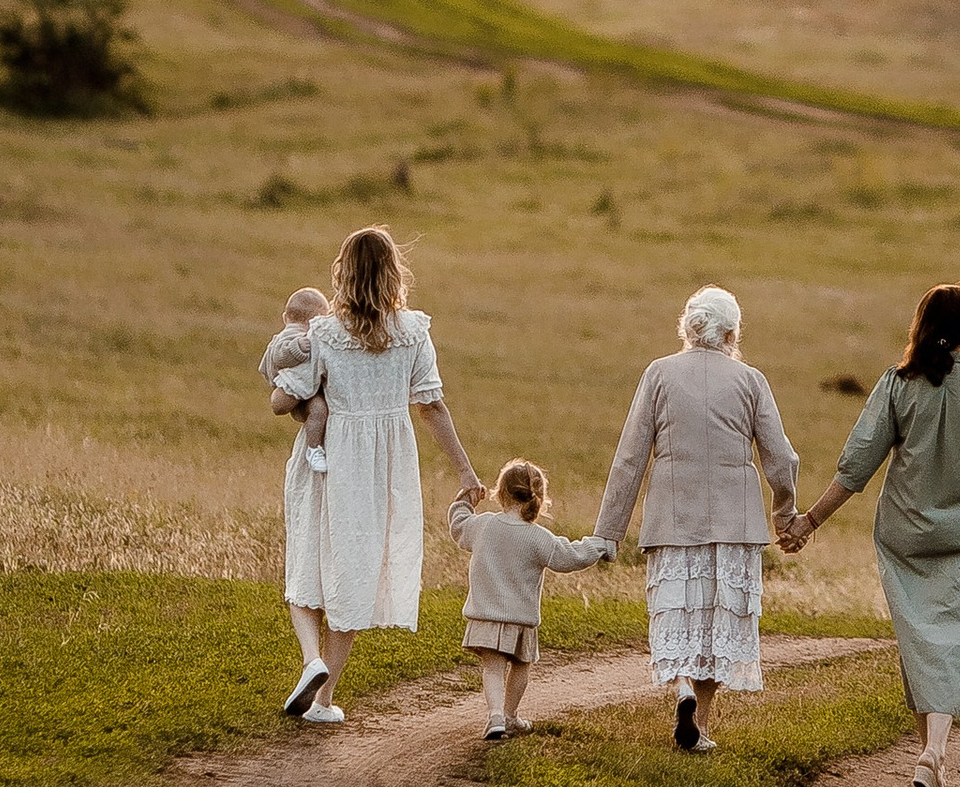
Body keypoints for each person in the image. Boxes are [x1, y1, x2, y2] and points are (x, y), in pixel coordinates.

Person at [784, 281, 960, 787]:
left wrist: (810, 522)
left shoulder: (897, 385)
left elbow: (857, 465)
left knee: (922, 642)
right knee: (956, 643)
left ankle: (930, 758)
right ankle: (934, 755)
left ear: (921, 326)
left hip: (905, 537)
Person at [273, 224, 482, 724]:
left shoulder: (322, 334)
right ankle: (323, 701)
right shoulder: (412, 333)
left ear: (343, 273)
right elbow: (432, 406)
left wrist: (300, 397)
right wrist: (466, 471)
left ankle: (312, 661)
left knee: (308, 558)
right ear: (393, 274)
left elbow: (285, 398)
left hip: (329, 456)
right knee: (354, 570)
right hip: (384, 465)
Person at [592, 284, 797, 752]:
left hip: (673, 517)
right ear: (730, 333)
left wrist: (608, 533)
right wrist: (785, 512)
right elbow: (781, 458)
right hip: (734, 523)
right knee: (716, 623)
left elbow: (629, 457)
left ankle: (682, 685)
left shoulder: (659, 374)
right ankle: (699, 723)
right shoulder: (750, 380)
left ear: (688, 328)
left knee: (678, 613)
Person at [447, 461, 612, 738]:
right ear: (539, 499)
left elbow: (458, 525)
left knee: (493, 668)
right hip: (521, 620)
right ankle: (510, 715)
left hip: (485, 615)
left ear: (500, 493)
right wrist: (598, 544)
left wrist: (464, 499)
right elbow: (570, 557)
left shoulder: (484, 525)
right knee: (521, 667)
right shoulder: (538, 537)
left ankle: (496, 716)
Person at [260, 281, 332, 473]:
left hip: (304, 389)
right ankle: (314, 448)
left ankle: (315, 447)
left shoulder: (303, 334)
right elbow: (279, 356)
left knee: (319, 411)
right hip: (296, 391)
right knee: (318, 410)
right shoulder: (292, 334)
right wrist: (298, 348)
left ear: (285, 316)